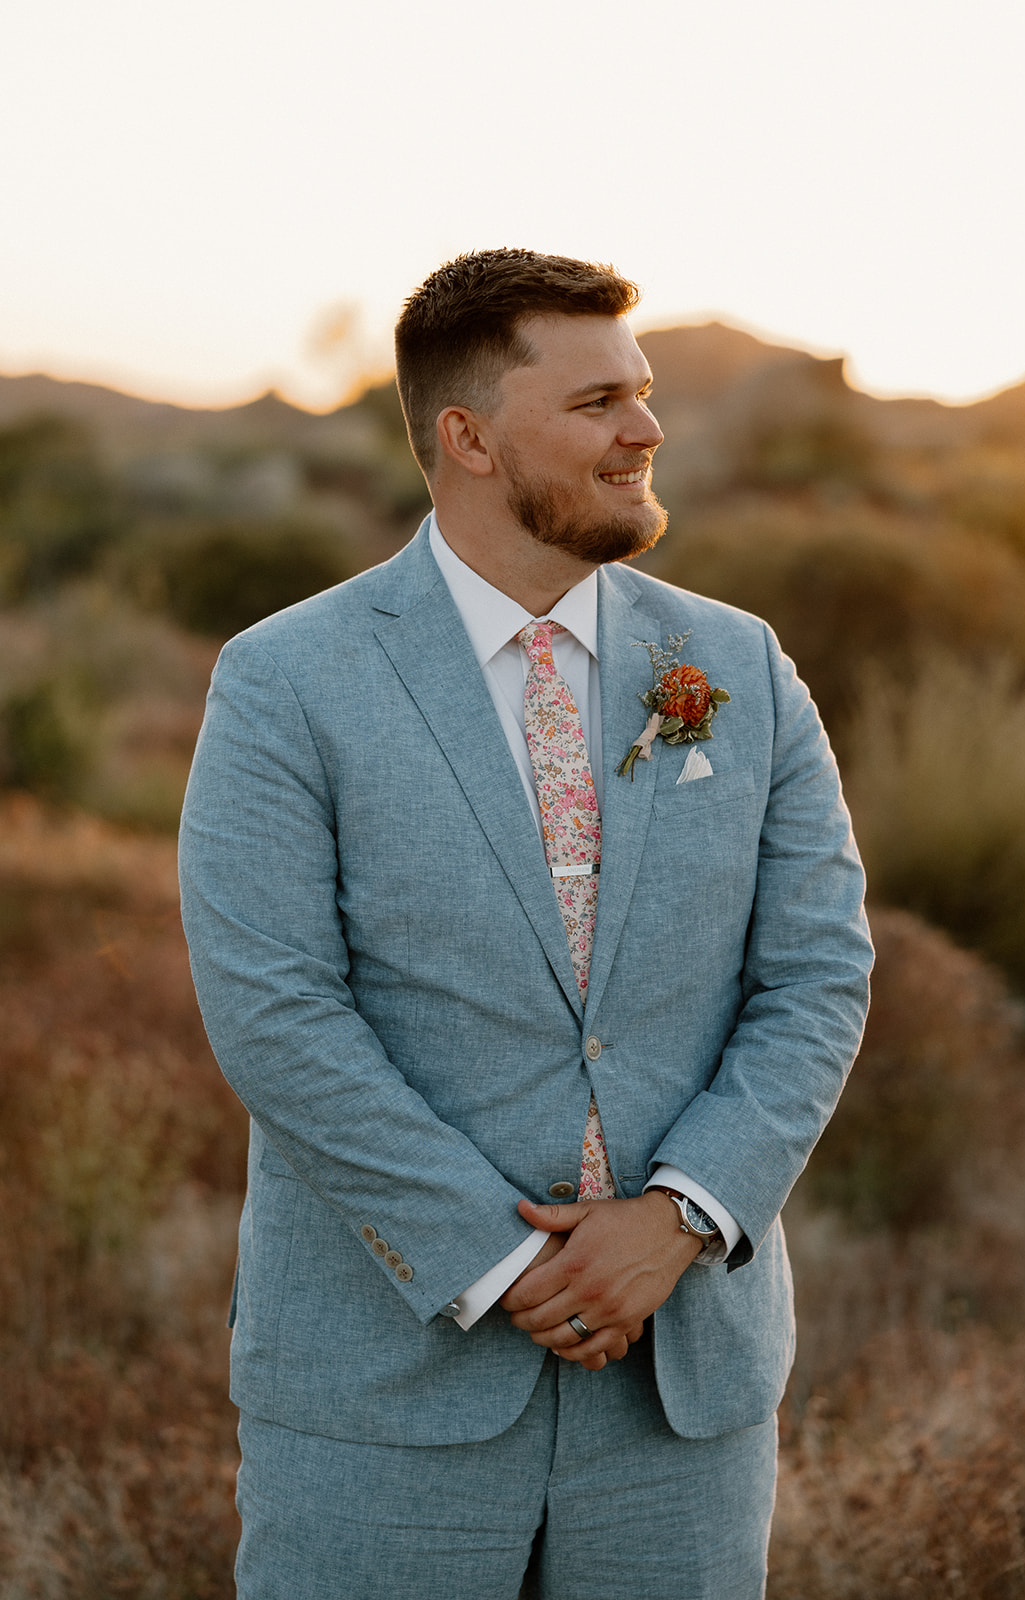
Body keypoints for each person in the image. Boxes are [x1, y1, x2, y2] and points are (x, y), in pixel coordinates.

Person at [178, 247, 873, 1600]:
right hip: (389, 1396)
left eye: (647, 392)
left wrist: (676, 1217)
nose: (646, 431)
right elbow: (275, 1011)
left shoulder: (734, 668)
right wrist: (502, 1261)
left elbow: (818, 972)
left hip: (679, 1398)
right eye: (600, 401)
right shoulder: (285, 682)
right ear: (471, 438)